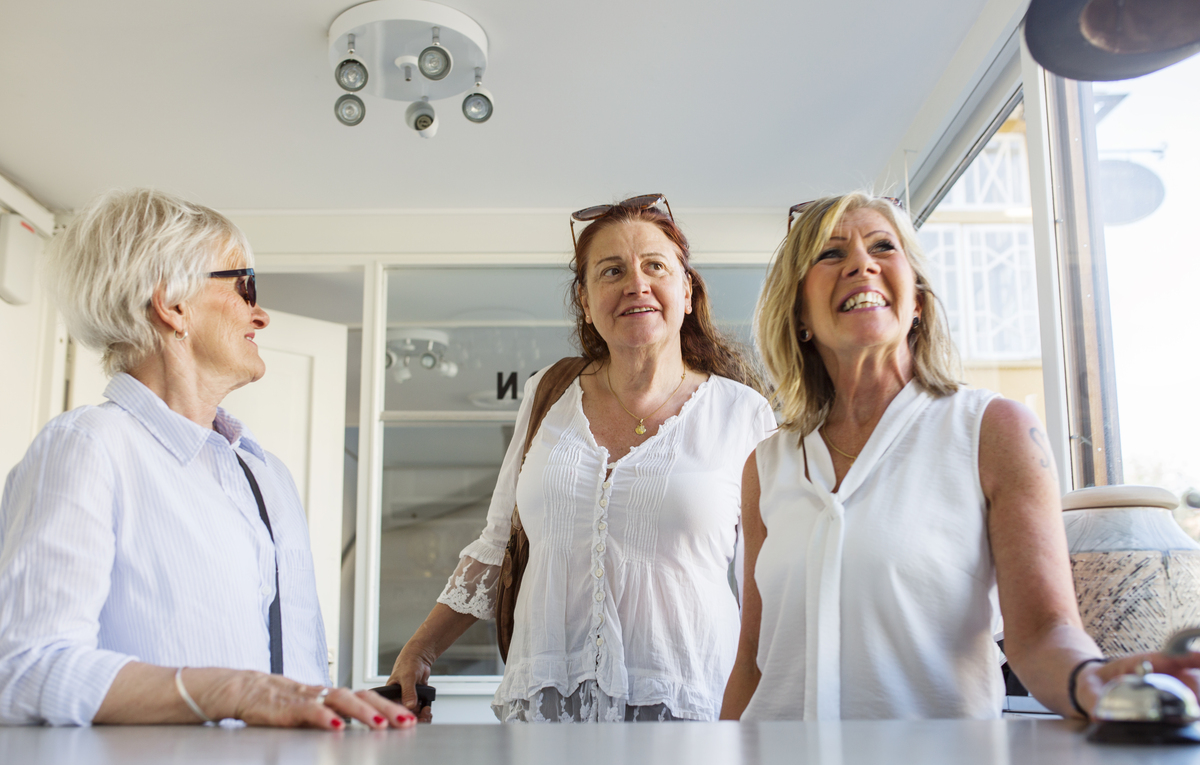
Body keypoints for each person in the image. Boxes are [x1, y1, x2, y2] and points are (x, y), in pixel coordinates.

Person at [720, 192, 1200, 721]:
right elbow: (753, 663)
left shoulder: (994, 430)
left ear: (918, 301)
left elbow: (1043, 633)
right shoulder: (765, 466)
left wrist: (1090, 679)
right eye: (830, 254)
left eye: (884, 246)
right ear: (800, 313)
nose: (862, 262)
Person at [0, 189, 415, 729]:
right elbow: (24, 670)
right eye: (246, 287)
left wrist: (343, 709)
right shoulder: (89, 446)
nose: (261, 314)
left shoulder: (268, 476)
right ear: (172, 303)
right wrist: (231, 689)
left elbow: (280, 673)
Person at [389, 194, 775, 722]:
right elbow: (496, 543)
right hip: (548, 709)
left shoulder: (742, 412)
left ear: (686, 292)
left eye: (655, 266)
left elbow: (771, 581)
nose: (635, 284)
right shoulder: (547, 394)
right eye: (611, 270)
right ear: (586, 301)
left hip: (689, 708)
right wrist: (420, 650)